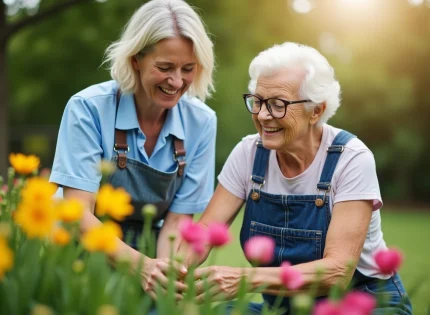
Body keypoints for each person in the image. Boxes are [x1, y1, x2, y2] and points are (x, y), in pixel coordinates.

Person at [177, 42, 412, 314]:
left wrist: (243, 279)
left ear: (317, 110)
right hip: (285, 304)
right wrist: (175, 273)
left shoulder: (351, 158)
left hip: (360, 302)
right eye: (258, 101)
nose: (263, 115)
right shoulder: (248, 153)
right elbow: (204, 232)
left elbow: (337, 271)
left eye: (278, 104)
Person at [49, 0, 216, 297]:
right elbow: (77, 212)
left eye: (188, 69)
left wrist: (163, 275)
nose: (177, 81)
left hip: (150, 248)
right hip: (79, 245)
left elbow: (177, 221)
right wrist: (141, 267)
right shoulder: (88, 108)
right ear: (135, 59)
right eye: (164, 67)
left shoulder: (201, 122)